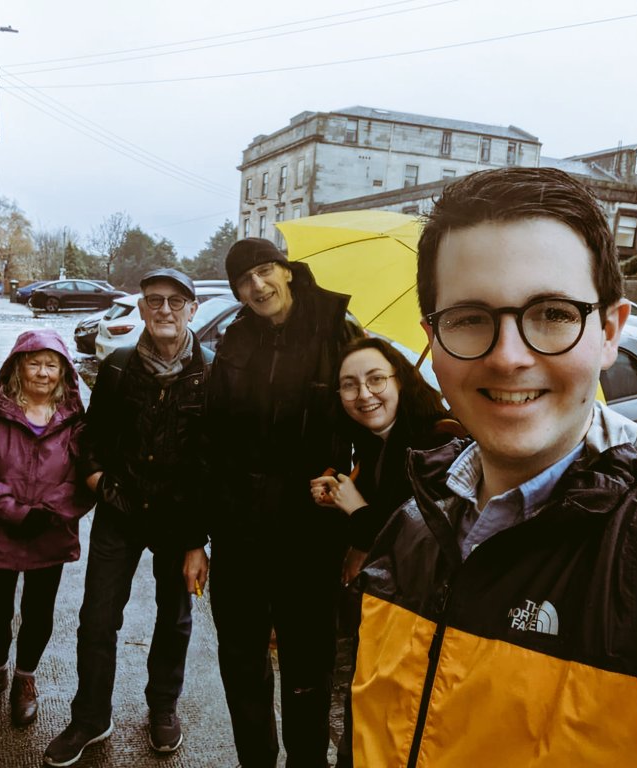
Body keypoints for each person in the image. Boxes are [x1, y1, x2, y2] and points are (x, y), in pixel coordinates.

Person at [351, 167, 637, 767]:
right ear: (432, 343)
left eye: (550, 312)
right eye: (469, 317)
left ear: (609, 333)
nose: (509, 356)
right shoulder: (411, 533)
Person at [200, 238, 362, 768]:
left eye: (265, 271)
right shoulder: (236, 339)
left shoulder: (340, 332)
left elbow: (381, 422)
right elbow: (210, 439)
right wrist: (193, 536)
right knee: (242, 662)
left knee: (308, 668)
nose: (257, 286)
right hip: (238, 530)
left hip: (309, 531)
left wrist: (357, 508)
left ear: (287, 272)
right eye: (244, 281)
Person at [44, 268, 213, 767]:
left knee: (175, 618)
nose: (165, 309)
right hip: (120, 511)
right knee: (97, 617)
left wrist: (196, 540)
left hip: (179, 521)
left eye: (176, 301)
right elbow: (91, 442)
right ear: (140, 308)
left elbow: (213, 460)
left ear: (191, 310)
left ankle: (163, 706)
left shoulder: (213, 373)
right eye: (155, 300)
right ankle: (91, 716)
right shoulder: (117, 367)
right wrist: (101, 483)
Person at [308, 337, 453, 767]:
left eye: (376, 380)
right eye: (349, 385)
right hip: (380, 621)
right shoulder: (372, 442)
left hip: (420, 628)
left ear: (401, 381)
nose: (364, 394)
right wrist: (337, 494)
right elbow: (372, 518)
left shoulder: (440, 443)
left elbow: (416, 545)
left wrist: (356, 510)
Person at [0, 329, 91, 728]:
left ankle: (25, 679)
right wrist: (15, 511)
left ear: (64, 371)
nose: (43, 373)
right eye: (35, 363)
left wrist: (51, 511)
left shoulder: (74, 418)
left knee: (38, 612)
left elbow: (85, 475)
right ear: (18, 366)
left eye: (52, 365)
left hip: (49, 532)